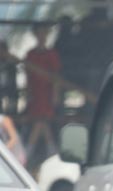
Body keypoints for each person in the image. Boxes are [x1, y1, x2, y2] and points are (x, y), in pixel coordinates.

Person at [24, 23, 61, 171]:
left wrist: (55, 94)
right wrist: (28, 93)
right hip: (35, 92)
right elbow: (27, 76)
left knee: (42, 121)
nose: (42, 36)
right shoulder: (30, 54)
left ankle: (28, 151)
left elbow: (56, 76)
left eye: (44, 33)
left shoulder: (52, 54)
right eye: (39, 33)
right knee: (40, 122)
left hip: (47, 93)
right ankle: (52, 152)